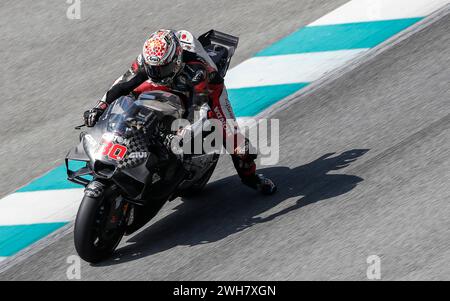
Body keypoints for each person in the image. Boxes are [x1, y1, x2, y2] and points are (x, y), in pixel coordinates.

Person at [84, 29, 276, 195]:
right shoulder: (150, 59)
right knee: (128, 97)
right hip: (168, 79)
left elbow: (199, 106)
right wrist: (100, 106)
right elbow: (122, 83)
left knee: (237, 143)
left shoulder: (198, 71)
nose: (156, 73)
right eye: (153, 68)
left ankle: (251, 177)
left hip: (208, 89)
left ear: (176, 60)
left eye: (162, 69)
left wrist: (184, 128)